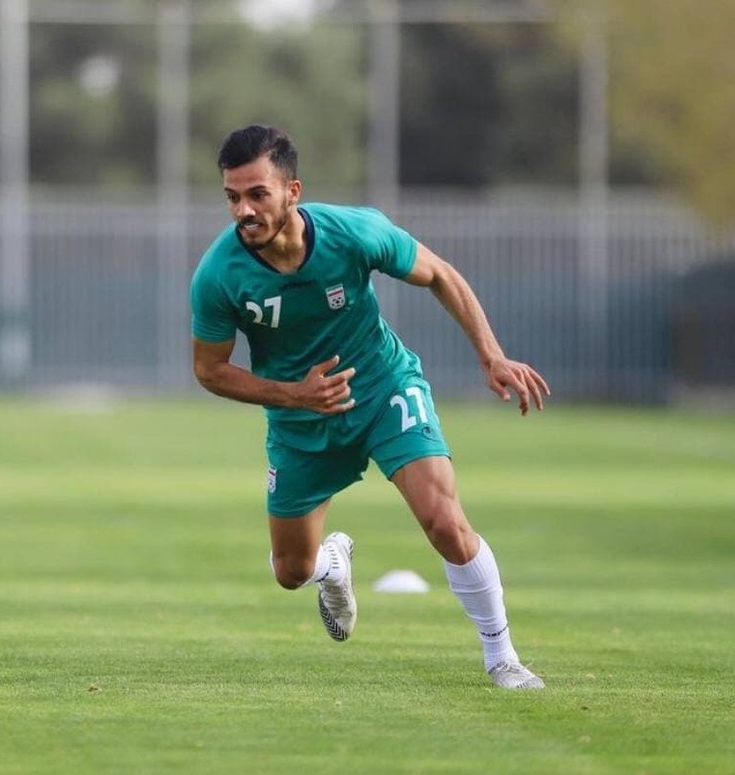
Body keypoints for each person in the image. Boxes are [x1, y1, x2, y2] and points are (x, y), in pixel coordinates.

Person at [190, 125, 550, 689]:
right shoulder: (219, 274)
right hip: (300, 420)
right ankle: (331, 564)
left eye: (257, 194)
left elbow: (440, 274)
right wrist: (296, 395)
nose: (244, 211)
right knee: (291, 572)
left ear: (292, 191)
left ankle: (502, 657)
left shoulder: (354, 232)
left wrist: (491, 356)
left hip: (384, 388)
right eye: (233, 197)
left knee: (444, 522)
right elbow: (209, 370)